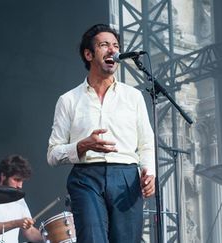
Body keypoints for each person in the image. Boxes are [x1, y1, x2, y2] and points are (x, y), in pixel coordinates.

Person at [47, 24, 155, 243]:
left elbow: (146, 142)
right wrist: (82, 146)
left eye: (115, 46)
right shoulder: (68, 100)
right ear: (88, 54)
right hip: (86, 177)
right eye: (104, 45)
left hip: (126, 177)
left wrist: (149, 171)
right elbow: (52, 154)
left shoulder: (133, 96)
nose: (112, 50)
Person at [0, 155, 43, 243]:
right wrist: (17, 223)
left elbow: (30, 232)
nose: (20, 185)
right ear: (3, 175)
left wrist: (53, 237)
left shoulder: (19, 199)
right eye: (17, 180)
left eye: (22, 181)